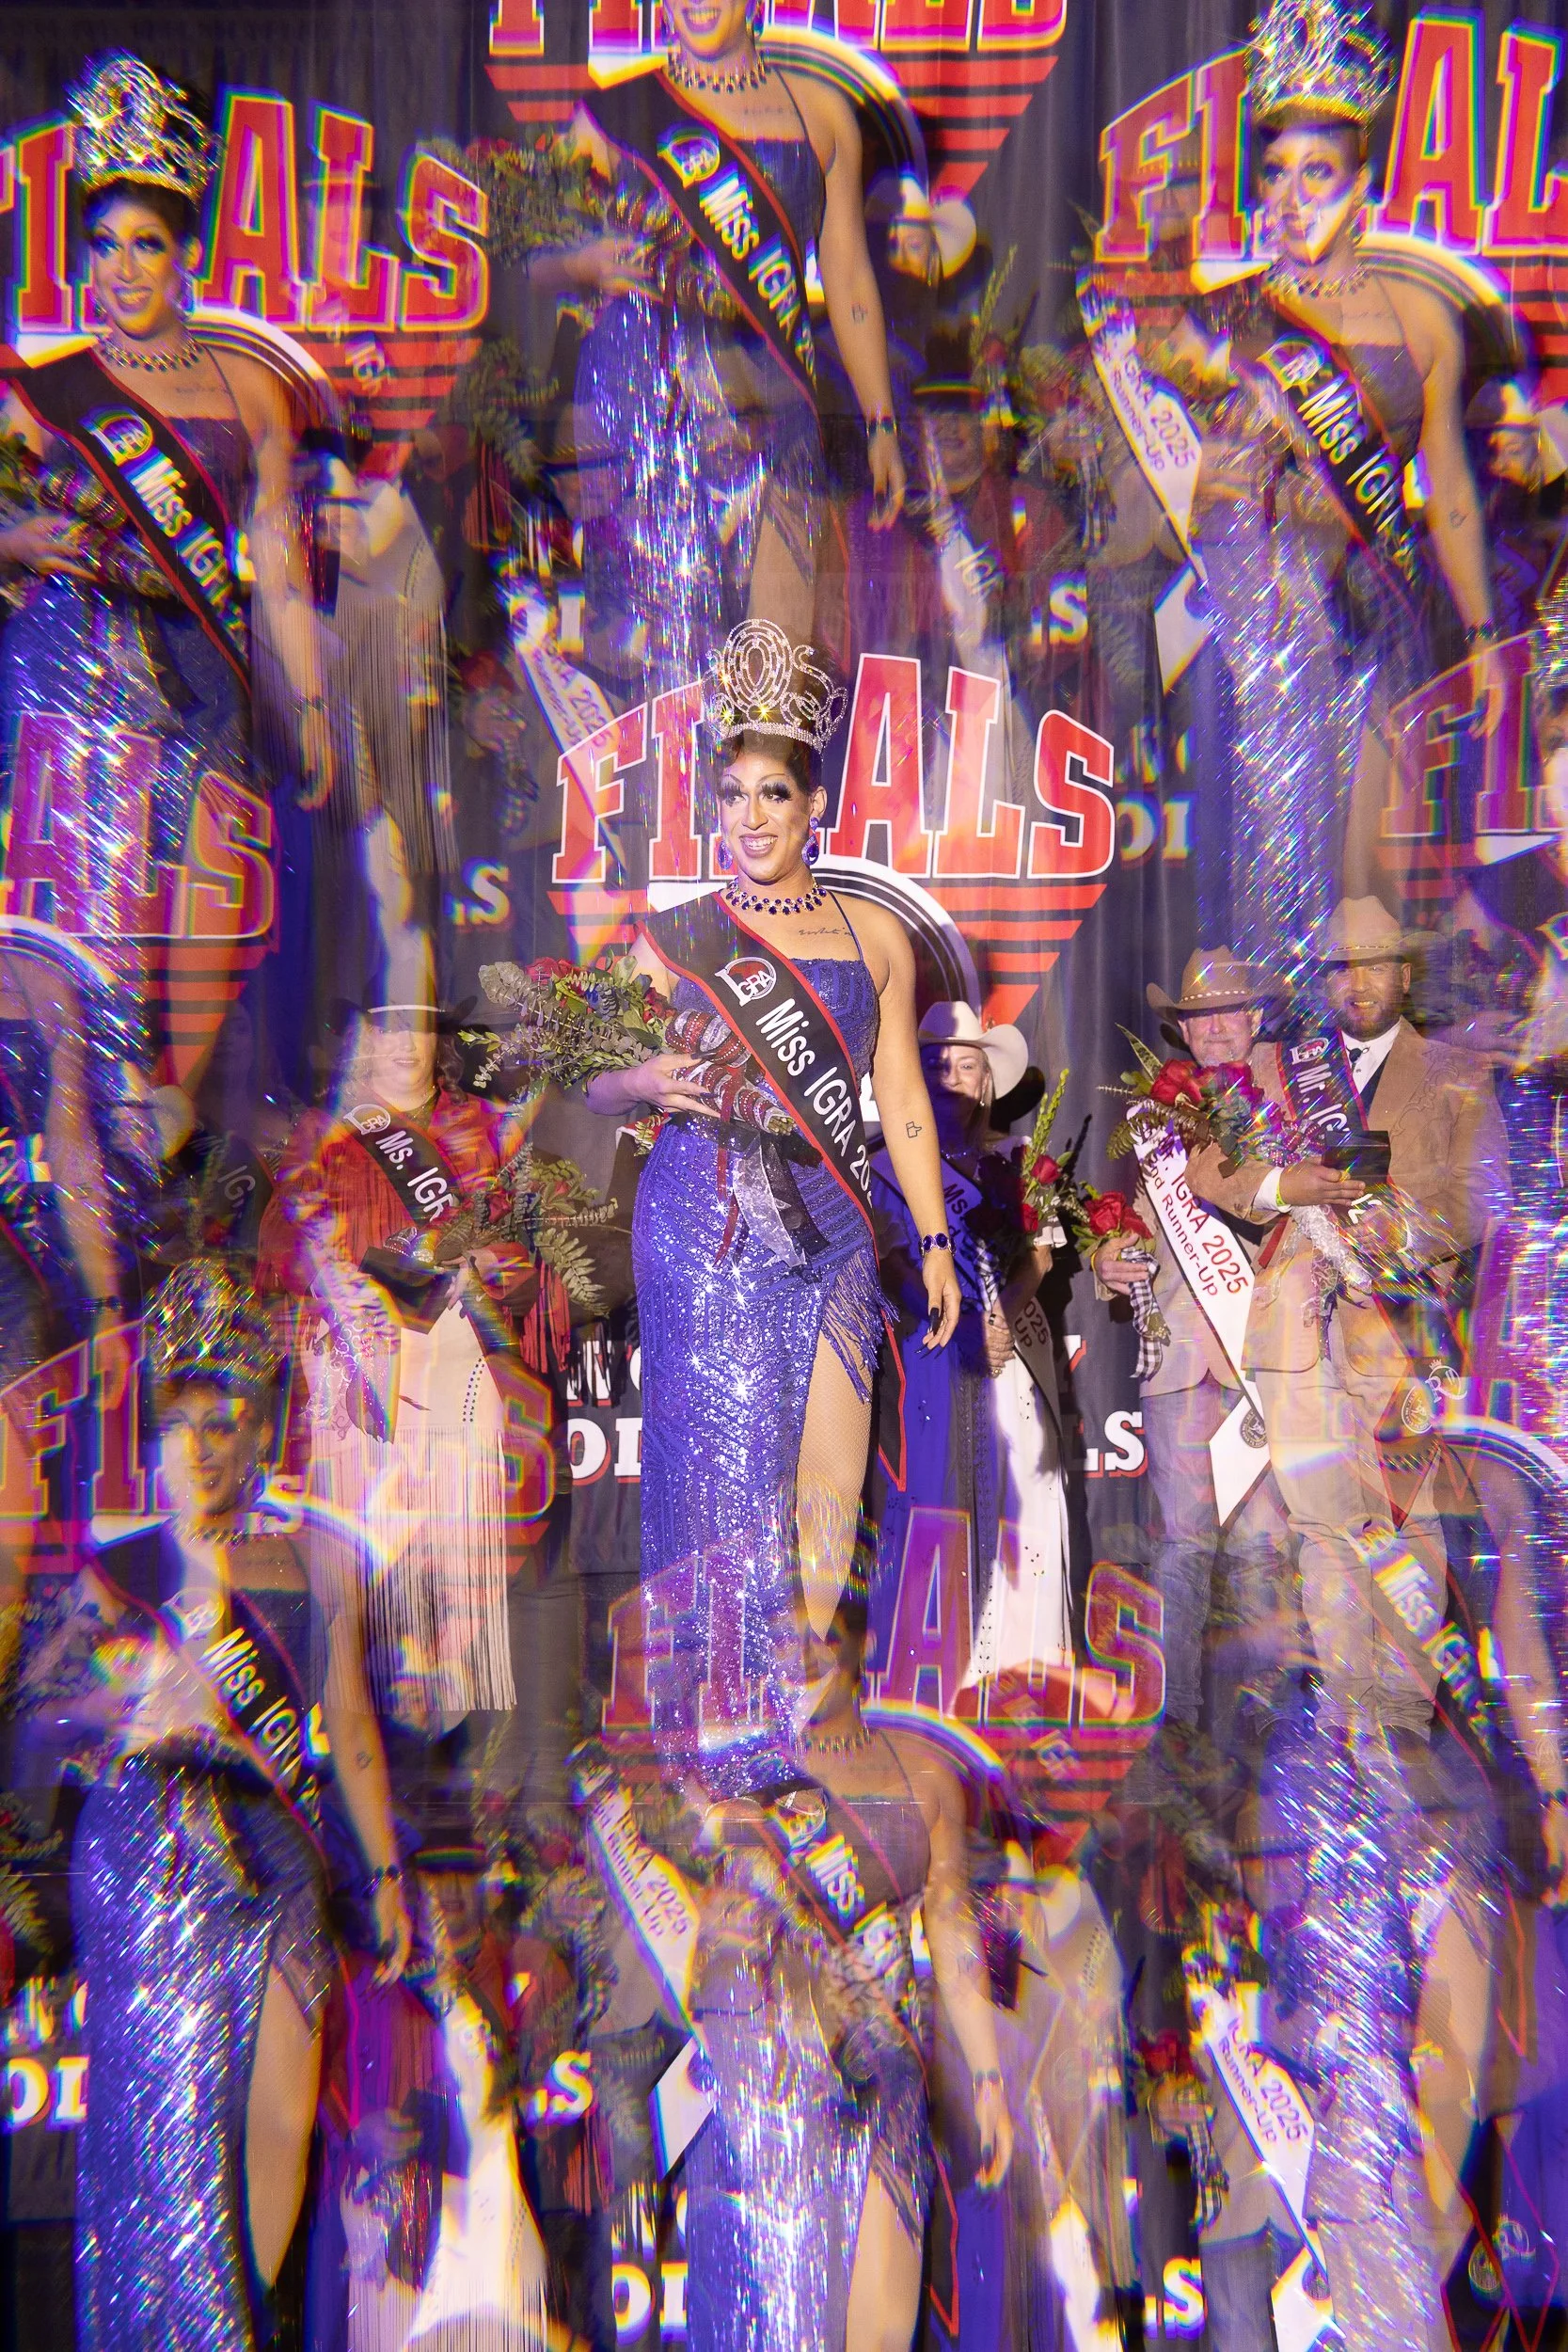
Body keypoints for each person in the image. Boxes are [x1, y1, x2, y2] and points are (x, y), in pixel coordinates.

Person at [584, 620, 959, 1794]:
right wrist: (645, 1080)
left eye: (774, 793)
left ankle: (798, 1713)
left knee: (829, 1483)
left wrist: (934, 1237)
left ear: (814, 810)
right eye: (734, 794)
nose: (750, 817)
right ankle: (723, 1744)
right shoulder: (677, 937)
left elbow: (898, 1091)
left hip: (836, 1222)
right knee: (726, 1471)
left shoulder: (875, 932)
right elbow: (596, 1068)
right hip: (707, 1215)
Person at [47, 1257, 409, 2351]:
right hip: (151, 1854)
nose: (201, 1445)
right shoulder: (116, 1574)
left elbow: (346, 1726)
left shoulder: (312, 1561)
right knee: (164, 2114)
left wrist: (385, 1872)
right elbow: (46, 1722)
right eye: (182, 1423)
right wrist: (125, 1710)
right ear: (153, 1437)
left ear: (262, 1434)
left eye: (226, 1422)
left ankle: (239, 2327)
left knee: (278, 2121)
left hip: (280, 1858)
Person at [1134, 0, 1502, 967]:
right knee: (1261, 855)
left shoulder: (1423, 320)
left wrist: (1480, 639)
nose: (1293, 197)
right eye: (1276, 174)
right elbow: (1165, 456)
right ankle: (1259, 1096)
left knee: (1363, 876)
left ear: (1361, 183)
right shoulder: (1223, 318)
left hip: (1373, 626)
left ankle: (1355, 1095)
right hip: (1258, 635)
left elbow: (1449, 490)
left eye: (1318, 173)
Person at [0, 53, 330, 1095]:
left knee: (199, 914)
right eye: (103, 244)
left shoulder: (250, 389)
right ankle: (77, 1157)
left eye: (147, 243)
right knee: (79, 921)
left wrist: (310, 701)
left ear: (189, 253)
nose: (123, 268)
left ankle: (167, 1133)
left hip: (197, 662)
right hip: (69, 662)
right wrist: (11, 544)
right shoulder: (43, 390)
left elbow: (273, 562)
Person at [683, 1588, 1014, 2352]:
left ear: (860, 1645)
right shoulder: (746, 1784)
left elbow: (953, 1925)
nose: (801, 1654)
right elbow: (715, 1956)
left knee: (878, 2331)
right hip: (779, 2083)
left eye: (821, 1635)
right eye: (785, 1638)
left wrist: (988, 2077)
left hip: (888, 2078)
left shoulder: (927, 1776)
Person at [548, 0, 906, 697]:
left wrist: (881, 422)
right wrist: (581, 262)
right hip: (651, 414)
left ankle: (767, 804)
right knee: (669, 677)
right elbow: (539, 254)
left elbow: (849, 275)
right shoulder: (614, 113)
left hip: (778, 410)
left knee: (774, 679)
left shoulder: (823, 112)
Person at [258, 992, 549, 1722]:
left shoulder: (486, 1134)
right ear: (359, 1038)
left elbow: (528, 1273)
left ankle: (449, 1693)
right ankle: (360, 1726)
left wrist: (490, 1266)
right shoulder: (320, 1139)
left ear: (439, 1039)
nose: (402, 1044)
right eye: (385, 1027)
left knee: (455, 1566)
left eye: (417, 1027)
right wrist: (348, 1306)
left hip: (457, 1384)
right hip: (357, 1385)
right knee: (359, 1580)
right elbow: (281, 1262)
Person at [1089, 950, 1298, 1756]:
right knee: (1183, 1543)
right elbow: (1142, 1221)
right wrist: (1114, 1263)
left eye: (1228, 1014)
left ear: (1255, 1020)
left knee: (1263, 1541)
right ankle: (1173, 1720)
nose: (1213, 1030)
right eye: (1198, 1018)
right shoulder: (1158, 1116)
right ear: (1182, 1029)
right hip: (1180, 1352)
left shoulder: (1298, 1096)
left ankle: (1270, 1709)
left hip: (1268, 1353)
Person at [873, 1000, 1070, 1691]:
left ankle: (1024, 1671)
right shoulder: (881, 1166)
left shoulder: (1022, 1159)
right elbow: (890, 1262)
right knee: (934, 1499)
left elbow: (1039, 1260)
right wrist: (956, 1327)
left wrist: (1000, 1323)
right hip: (931, 1358)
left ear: (987, 1080)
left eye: (965, 1065)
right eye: (936, 1066)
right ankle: (940, 1676)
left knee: (1026, 1492)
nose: (952, 1077)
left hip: (1010, 1357)